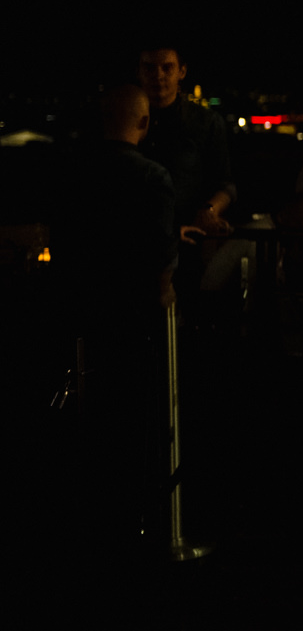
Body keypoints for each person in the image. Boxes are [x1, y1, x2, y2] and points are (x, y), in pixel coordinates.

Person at [49, 84, 179, 572]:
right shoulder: (152, 176)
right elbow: (160, 254)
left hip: (79, 308)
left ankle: (85, 523)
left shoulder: (70, 171)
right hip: (133, 314)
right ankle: (135, 523)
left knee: (88, 412)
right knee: (135, 417)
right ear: (144, 124)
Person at [137, 45, 235, 243]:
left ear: (182, 71)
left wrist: (209, 210)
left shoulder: (206, 123)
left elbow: (226, 186)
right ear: (139, 72)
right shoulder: (126, 119)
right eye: (150, 68)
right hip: (138, 237)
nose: (158, 75)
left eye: (167, 68)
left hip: (190, 239)